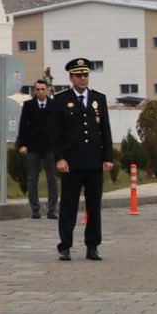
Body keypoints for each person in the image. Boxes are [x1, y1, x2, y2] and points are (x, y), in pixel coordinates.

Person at [48, 58, 114, 261]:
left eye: (85, 75)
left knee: (94, 205)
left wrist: (108, 157)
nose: (83, 79)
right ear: (71, 77)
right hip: (71, 163)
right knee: (68, 205)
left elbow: (105, 131)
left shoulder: (98, 99)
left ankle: (92, 246)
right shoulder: (61, 100)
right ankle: (65, 245)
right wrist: (59, 158)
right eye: (78, 75)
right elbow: (55, 133)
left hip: (94, 162)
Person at [16, 79, 61, 219]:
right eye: (38, 89)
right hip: (33, 147)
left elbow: (59, 128)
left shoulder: (54, 105)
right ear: (34, 90)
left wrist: (59, 148)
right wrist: (22, 144)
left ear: (47, 90)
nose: (40, 92)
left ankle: (52, 209)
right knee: (32, 178)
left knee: (52, 179)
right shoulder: (28, 105)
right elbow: (23, 126)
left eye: (43, 89)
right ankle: (35, 209)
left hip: (49, 148)